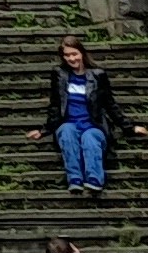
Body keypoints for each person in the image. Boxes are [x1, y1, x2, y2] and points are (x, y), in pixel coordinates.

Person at [29, 35, 141, 193]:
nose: (71, 58)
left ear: (81, 53)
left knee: (90, 138)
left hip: (92, 124)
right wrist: (44, 130)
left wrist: (129, 127)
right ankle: (75, 178)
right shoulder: (59, 74)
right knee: (67, 133)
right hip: (69, 123)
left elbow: (110, 104)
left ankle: (94, 179)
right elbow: (55, 105)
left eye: (74, 54)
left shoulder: (97, 75)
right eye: (67, 55)